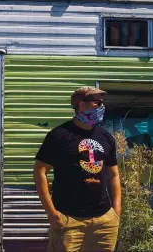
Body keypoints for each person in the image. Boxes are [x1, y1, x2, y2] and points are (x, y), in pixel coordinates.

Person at [33, 86, 121, 252]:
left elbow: (113, 175)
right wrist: (52, 214)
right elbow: (40, 171)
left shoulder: (106, 138)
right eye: (97, 102)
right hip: (69, 221)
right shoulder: (60, 135)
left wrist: (116, 212)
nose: (102, 106)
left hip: (104, 222)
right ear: (81, 105)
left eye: (103, 103)